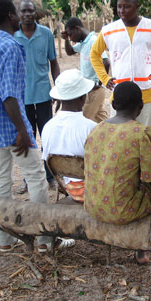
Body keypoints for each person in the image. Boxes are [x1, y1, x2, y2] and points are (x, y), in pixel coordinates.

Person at [0, 0, 53, 253]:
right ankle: (44, 239)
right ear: (10, 15)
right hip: (11, 128)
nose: (21, 16)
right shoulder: (9, 47)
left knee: (2, 181)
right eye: (17, 12)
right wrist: (21, 130)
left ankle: (5, 240)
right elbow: (8, 96)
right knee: (37, 178)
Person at [84, 81, 151, 264]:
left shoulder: (96, 130)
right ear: (141, 106)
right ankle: (147, 246)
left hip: (92, 205)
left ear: (113, 105)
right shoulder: (142, 133)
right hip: (123, 210)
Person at [89, 0, 151, 135]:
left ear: (137, 7)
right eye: (119, 6)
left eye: (127, 6)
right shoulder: (109, 30)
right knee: (120, 139)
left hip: (146, 94)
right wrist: (104, 78)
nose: (122, 11)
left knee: (147, 139)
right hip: (119, 96)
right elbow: (94, 54)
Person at [14, 0, 60, 193]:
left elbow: (54, 63)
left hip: (43, 95)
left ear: (36, 14)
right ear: (19, 14)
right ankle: (29, 178)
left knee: (46, 136)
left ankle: (50, 177)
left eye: (30, 11)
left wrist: (58, 90)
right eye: (23, 11)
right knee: (27, 137)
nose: (27, 14)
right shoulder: (13, 35)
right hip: (21, 97)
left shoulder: (46, 34)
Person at [42, 68, 97, 203]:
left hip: (66, 187)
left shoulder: (48, 127)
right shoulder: (90, 128)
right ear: (82, 97)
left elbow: (47, 159)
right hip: (91, 190)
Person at [61, 17, 111, 123]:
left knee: (84, 119)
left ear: (77, 29)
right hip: (89, 89)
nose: (70, 38)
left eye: (70, 34)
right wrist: (65, 39)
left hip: (94, 89)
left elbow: (106, 62)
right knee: (102, 120)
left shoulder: (93, 41)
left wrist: (100, 82)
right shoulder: (83, 43)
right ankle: (113, 133)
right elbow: (70, 52)